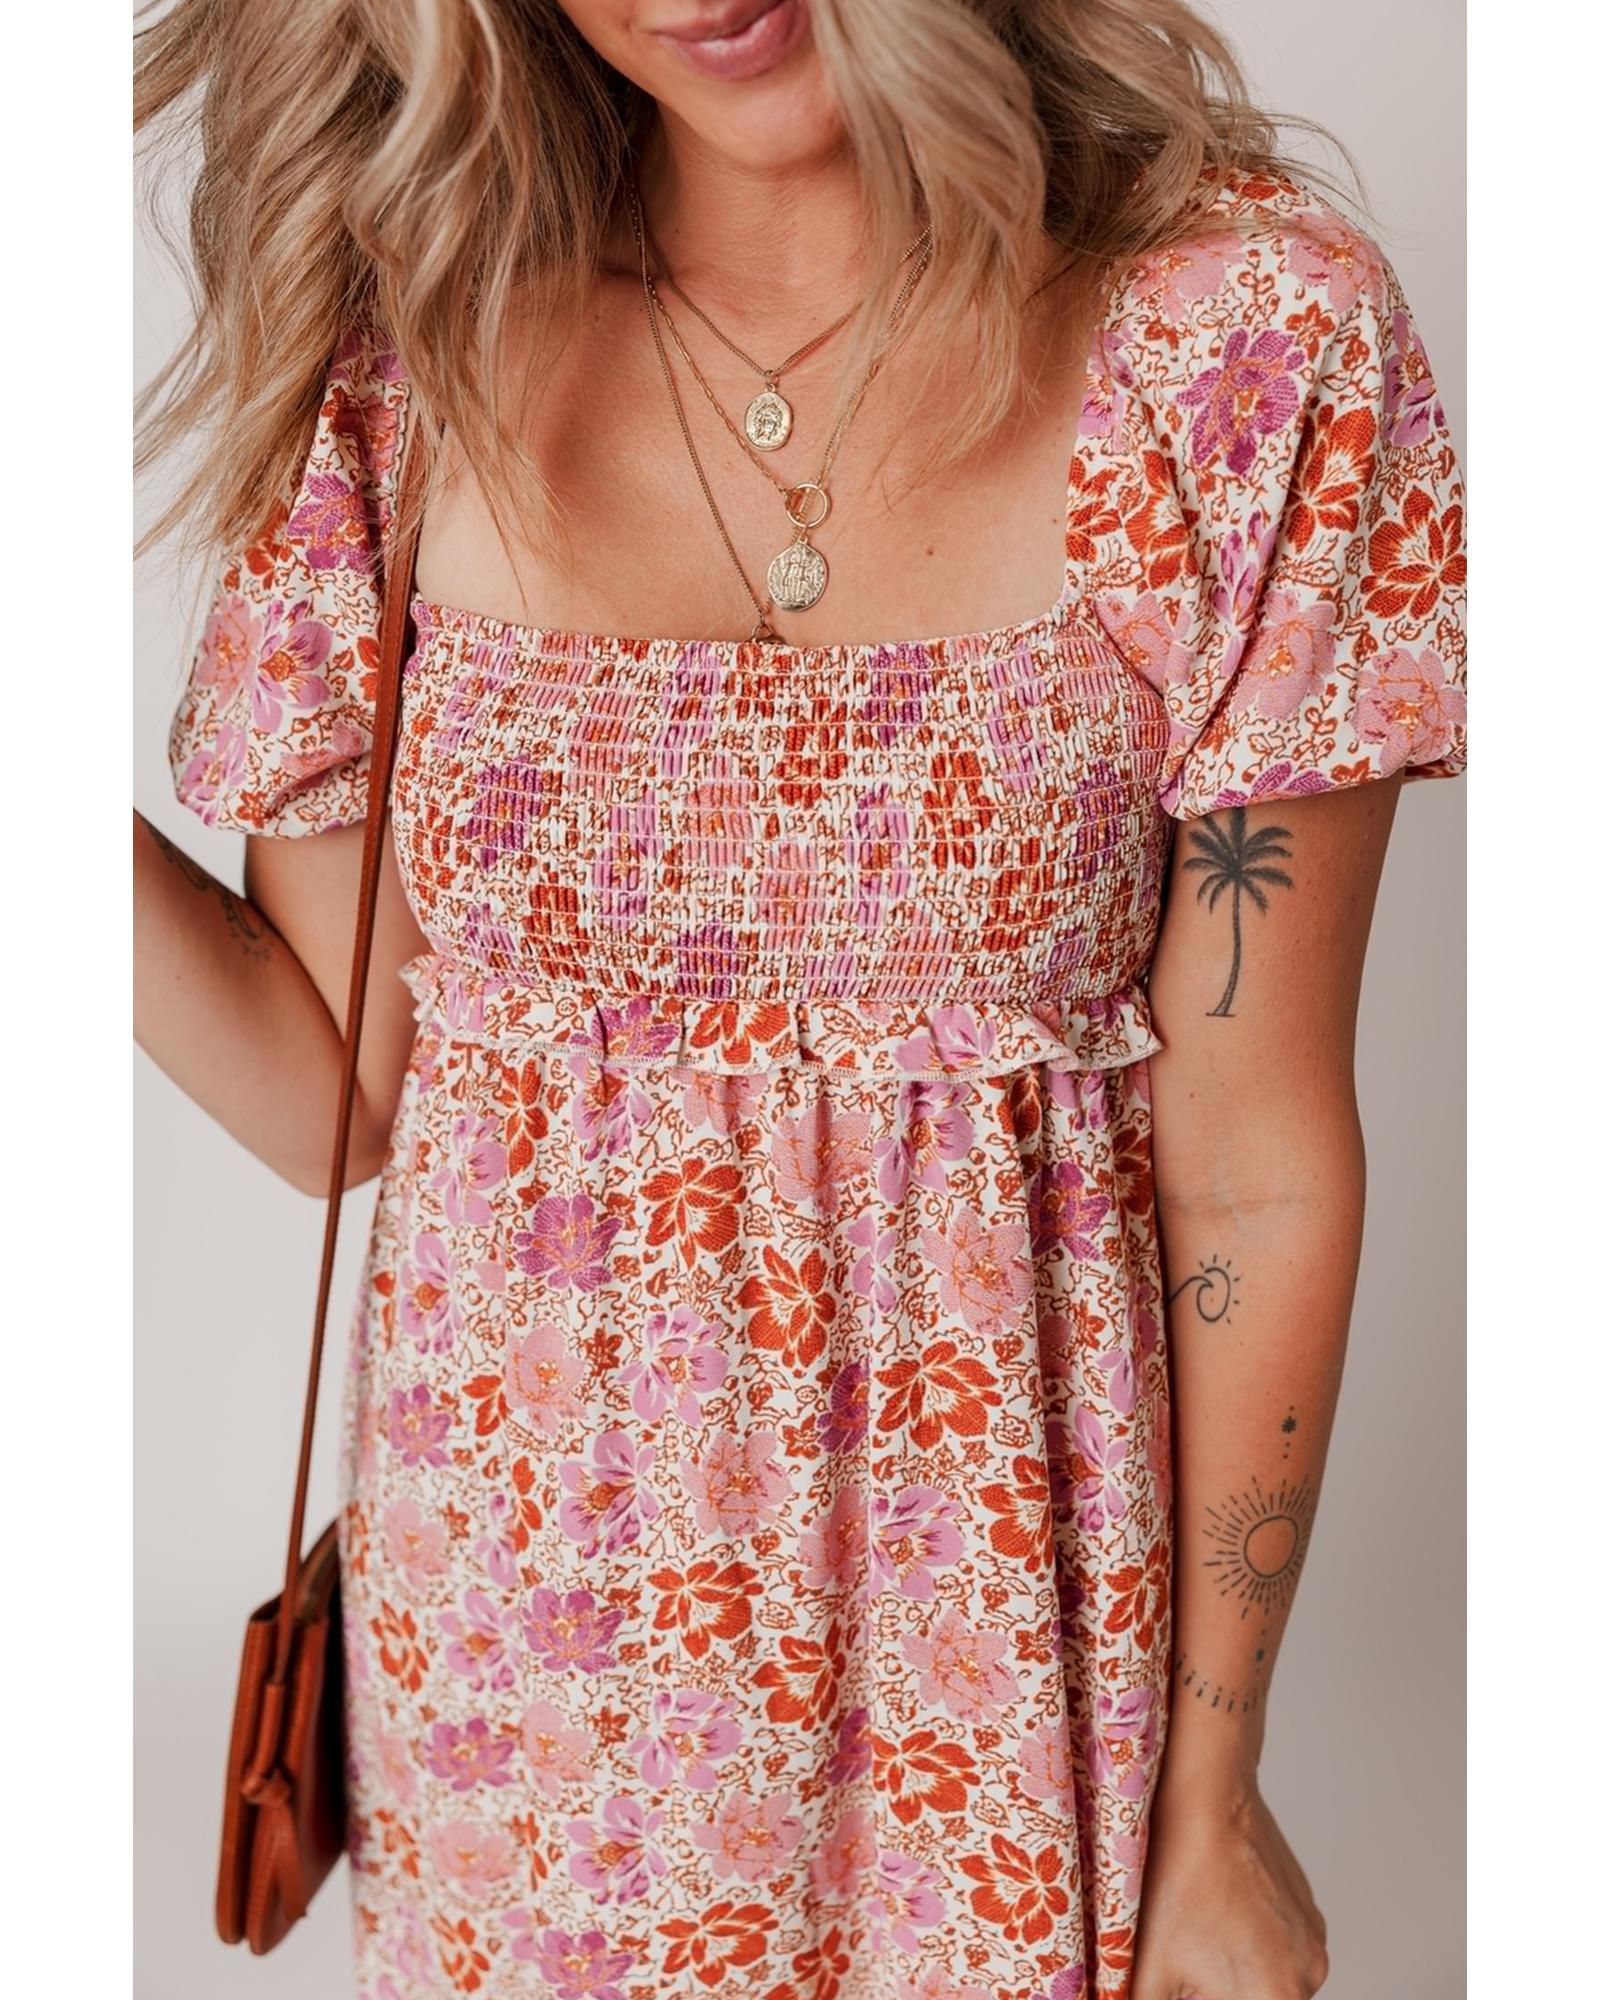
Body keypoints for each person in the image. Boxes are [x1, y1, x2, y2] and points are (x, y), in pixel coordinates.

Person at [132, 3, 1467, 1996]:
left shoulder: (1243, 341)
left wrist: (1208, 1798)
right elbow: (338, 1092)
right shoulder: (404, 345)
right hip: (526, 1693)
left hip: (1005, 1687)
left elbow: (1255, 1159)